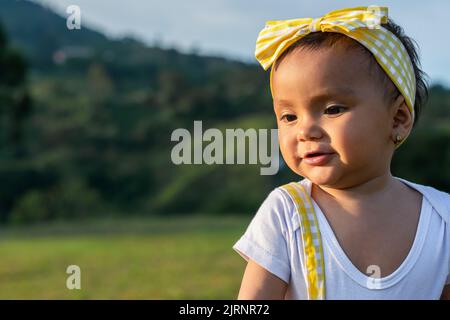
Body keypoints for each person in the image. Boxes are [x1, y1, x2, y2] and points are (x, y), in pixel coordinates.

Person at [232, 6, 450, 299]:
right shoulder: (288, 212)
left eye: (333, 109)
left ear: (398, 118)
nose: (306, 130)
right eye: (288, 116)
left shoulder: (442, 218)